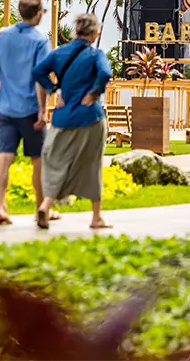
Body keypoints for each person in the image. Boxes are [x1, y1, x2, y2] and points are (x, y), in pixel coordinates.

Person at [31, 13, 113, 231]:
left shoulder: (59, 53)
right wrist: (94, 93)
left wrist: (53, 90)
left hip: (62, 117)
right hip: (90, 116)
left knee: (56, 160)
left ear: (76, 31)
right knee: (92, 164)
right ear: (94, 34)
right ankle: (96, 217)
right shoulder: (95, 54)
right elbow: (105, 73)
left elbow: (38, 72)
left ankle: (46, 205)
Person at [0, 0, 50, 226]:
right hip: (30, 109)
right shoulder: (40, 41)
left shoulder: (0, 35)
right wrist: (43, 110)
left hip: (5, 107)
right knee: (38, 160)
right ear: (39, 13)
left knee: (4, 157)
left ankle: (1, 207)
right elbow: (41, 78)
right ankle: (41, 208)